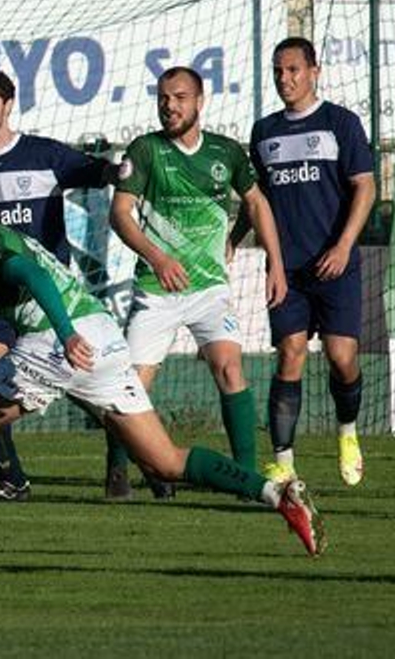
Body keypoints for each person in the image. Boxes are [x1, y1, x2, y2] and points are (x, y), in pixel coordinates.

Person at [0, 176, 323, 562]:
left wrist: (66, 334)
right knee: (163, 461)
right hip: (101, 336)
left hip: (62, 339)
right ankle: (277, 495)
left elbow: (27, 274)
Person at [104, 66, 287, 499]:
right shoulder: (146, 150)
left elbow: (257, 203)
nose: (171, 106)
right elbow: (120, 212)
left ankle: (246, 478)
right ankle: (118, 469)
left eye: (180, 97)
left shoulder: (225, 152)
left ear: (199, 102)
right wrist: (158, 256)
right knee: (129, 388)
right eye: (164, 98)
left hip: (208, 290)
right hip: (156, 290)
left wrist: (274, 263)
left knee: (229, 366)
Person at [0, 67, 119, 500]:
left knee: (85, 384)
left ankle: (128, 448)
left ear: (8, 105)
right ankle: (11, 479)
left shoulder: (44, 154)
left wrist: (117, 171)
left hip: (45, 295)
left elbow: (92, 171)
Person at [246, 37, 376, 485]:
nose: (285, 79)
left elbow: (366, 186)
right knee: (290, 354)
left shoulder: (341, 122)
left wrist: (342, 247)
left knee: (342, 357)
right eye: (278, 71)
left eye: (294, 70)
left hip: (335, 265)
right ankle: (283, 467)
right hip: (287, 271)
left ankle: (347, 430)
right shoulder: (264, 132)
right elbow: (255, 199)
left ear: (314, 71)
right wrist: (234, 239)